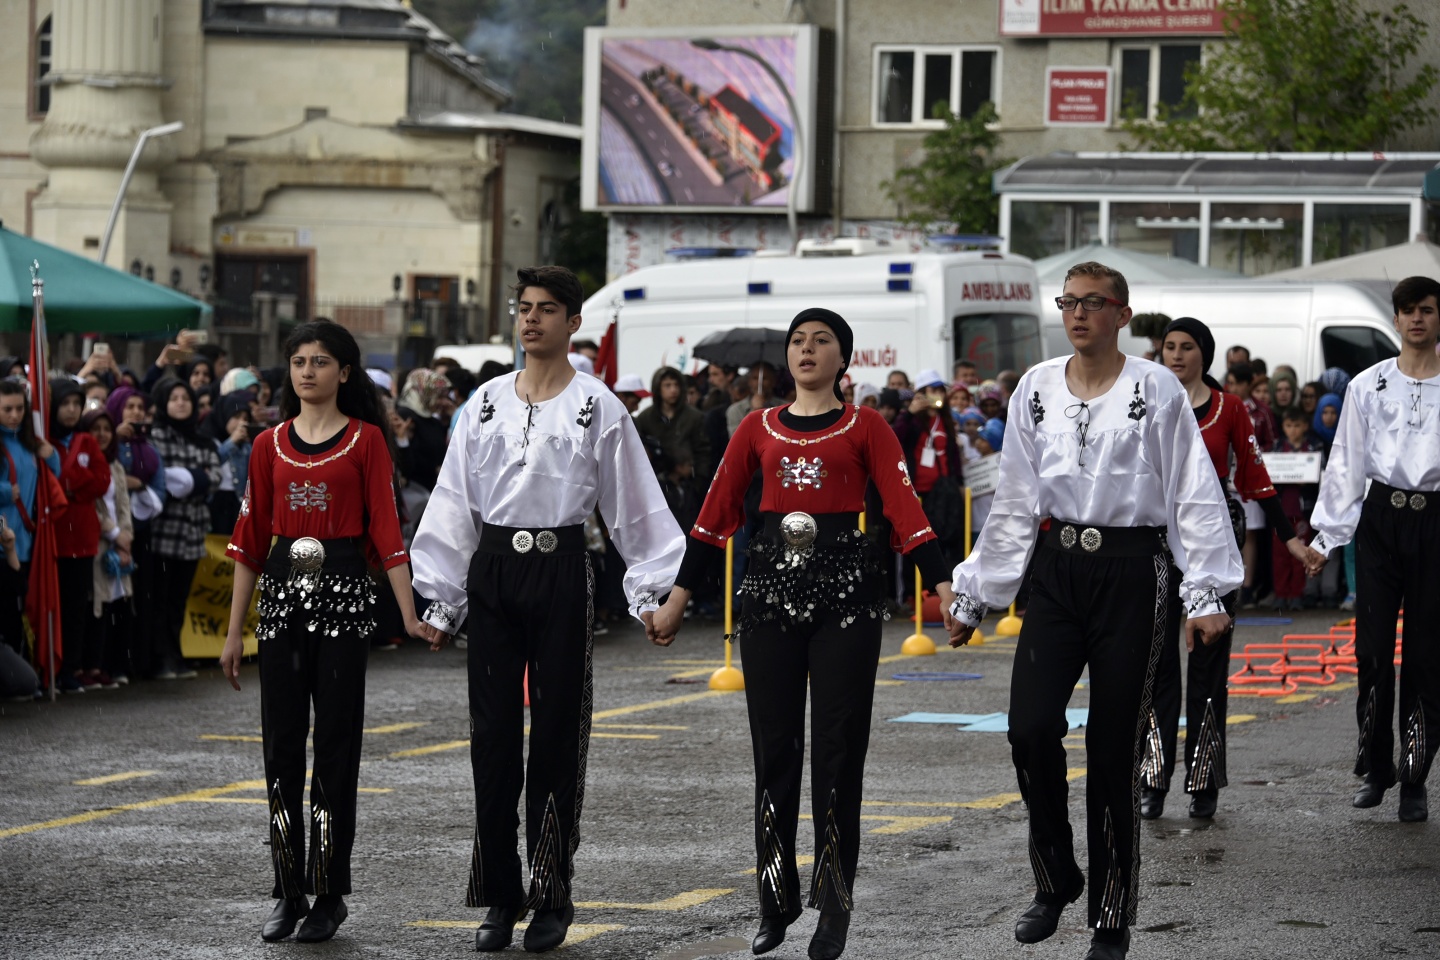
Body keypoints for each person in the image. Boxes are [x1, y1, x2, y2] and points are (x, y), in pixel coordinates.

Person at [945, 263, 1240, 960]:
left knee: (1113, 749)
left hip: (1135, 571)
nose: (1078, 314)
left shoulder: (1155, 386)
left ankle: (1111, 914)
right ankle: (1057, 877)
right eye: (1069, 302)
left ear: (1122, 314)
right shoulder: (1036, 386)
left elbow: (1192, 491)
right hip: (1057, 572)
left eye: (1093, 303)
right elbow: (1015, 498)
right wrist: (977, 593)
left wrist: (1205, 594)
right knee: (1029, 728)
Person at [651, 307, 953, 960]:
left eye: (822, 341)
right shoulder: (754, 428)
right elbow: (712, 518)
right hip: (769, 597)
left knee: (839, 751)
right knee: (775, 752)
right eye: (797, 341)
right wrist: (677, 598)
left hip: (845, 597)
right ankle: (774, 895)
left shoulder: (866, 425)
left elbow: (905, 509)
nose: (807, 349)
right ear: (785, 359)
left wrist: (944, 586)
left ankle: (833, 901)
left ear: (844, 360)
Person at [410, 266, 685, 954]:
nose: (531, 320)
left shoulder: (598, 406)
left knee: (559, 735)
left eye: (547, 310)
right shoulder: (482, 404)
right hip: (494, 573)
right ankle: (500, 896)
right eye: (523, 308)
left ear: (573, 323)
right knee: (493, 739)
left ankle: (552, 893)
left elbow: (634, 505)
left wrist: (651, 593)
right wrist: (441, 601)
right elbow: (452, 502)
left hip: (564, 569)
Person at [221, 320, 425, 943]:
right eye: (299, 361)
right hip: (281, 600)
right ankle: (286, 889)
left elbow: (388, 533)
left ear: (344, 372)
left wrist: (410, 612)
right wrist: (234, 633)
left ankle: (329, 893)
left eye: (320, 361)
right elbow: (249, 543)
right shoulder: (267, 446)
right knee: (281, 748)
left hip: (342, 596)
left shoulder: (366, 442)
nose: (307, 371)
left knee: (335, 749)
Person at [1142, 318, 1308, 822]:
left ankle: (1204, 780)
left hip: (1214, 537)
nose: (1175, 355)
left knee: (1209, 664)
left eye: (1186, 347)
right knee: (1155, 663)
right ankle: (1153, 776)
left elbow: (1256, 480)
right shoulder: (1146, 401)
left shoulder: (1230, 409)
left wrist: (1291, 539)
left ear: (1204, 355)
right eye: (1168, 346)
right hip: (1155, 538)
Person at [1305, 275, 1440, 823]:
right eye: (1407, 310)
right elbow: (1347, 464)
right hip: (1382, 521)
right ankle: (1376, 765)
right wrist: (1326, 536)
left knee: (1429, 657)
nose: (1416, 319)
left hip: (1436, 520)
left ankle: (1415, 776)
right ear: (1396, 317)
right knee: (1372, 650)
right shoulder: (1368, 384)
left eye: (1427, 310)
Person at [148, 377, 221, 680]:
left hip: (192, 533)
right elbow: (163, 477)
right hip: (164, 532)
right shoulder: (156, 435)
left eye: (185, 398)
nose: (181, 402)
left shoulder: (201, 437)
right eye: (174, 397)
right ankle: (159, 657)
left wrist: (193, 479)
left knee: (180, 599)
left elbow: (215, 475)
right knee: (160, 600)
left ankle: (176, 654)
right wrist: (195, 477)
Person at [50, 380, 111, 693]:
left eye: (77, 404)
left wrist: (71, 485)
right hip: (53, 536)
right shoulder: (44, 441)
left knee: (77, 607)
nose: (72, 410)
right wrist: (73, 485)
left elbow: (102, 481)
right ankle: (50, 666)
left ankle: (71, 668)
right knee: (53, 605)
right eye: (65, 404)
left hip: (83, 538)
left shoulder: (86, 441)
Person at [0, 380, 60, 659]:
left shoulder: (29, 443)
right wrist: (3, 491)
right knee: (8, 612)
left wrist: (53, 458)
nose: (14, 415)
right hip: (3, 542)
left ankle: (21, 671)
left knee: (23, 610)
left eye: (19, 409)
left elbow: (50, 485)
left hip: (27, 542)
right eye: (7, 409)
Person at [1271, 408, 1318, 612]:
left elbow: (1320, 474)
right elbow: (1267, 473)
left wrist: (1308, 476)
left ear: (1305, 426)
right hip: (1281, 511)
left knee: (1300, 553)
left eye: (1297, 425)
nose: (1293, 430)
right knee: (1280, 555)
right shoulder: (1278, 448)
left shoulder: (1313, 448)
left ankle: (1298, 594)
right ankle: (1281, 594)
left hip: (1302, 511)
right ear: (1283, 427)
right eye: (1289, 425)